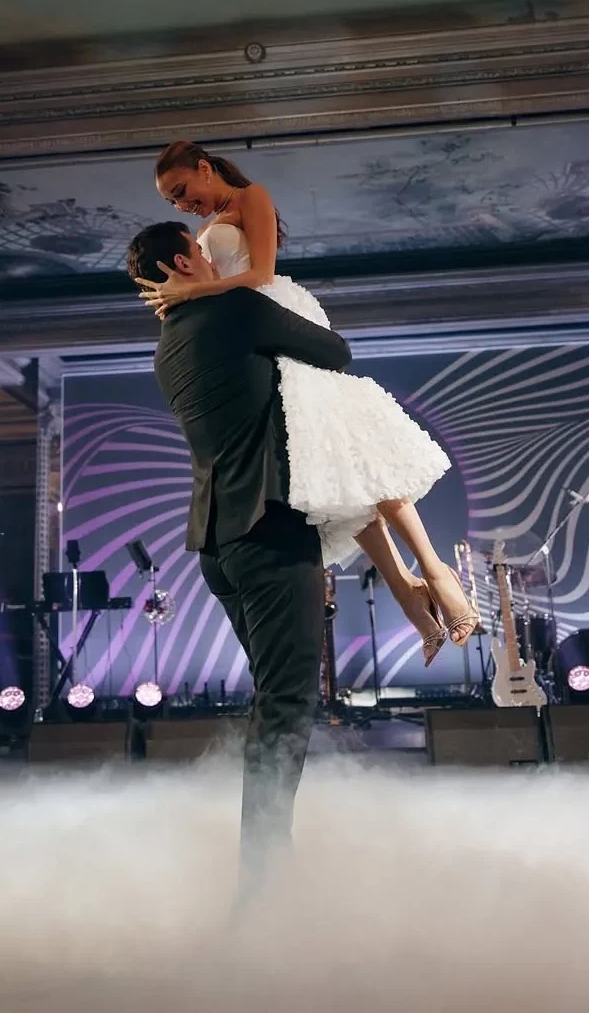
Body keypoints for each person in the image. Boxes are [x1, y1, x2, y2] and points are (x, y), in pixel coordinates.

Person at [135, 140, 476, 666]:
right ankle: (407, 590)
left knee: (359, 450)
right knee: (336, 473)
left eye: (181, 190)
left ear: (204, 169)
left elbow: (261, 276)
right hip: (250, 346)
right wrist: (186, 302)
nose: (182, 204)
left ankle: (434, 571)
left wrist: (190, 294)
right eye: (172, 201)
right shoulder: (202, 240)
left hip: (275, 319)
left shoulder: (251, 197)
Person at [126, 220, 347, 896]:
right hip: (269, 529)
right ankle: (264, 881)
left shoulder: (166, 348)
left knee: (273, 701)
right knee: (287, 703)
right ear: (184, 261)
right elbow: (334, 351)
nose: (210, 252)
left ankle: (268, 866)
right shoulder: (235, 309)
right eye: (199, 248)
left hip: (218, 547)